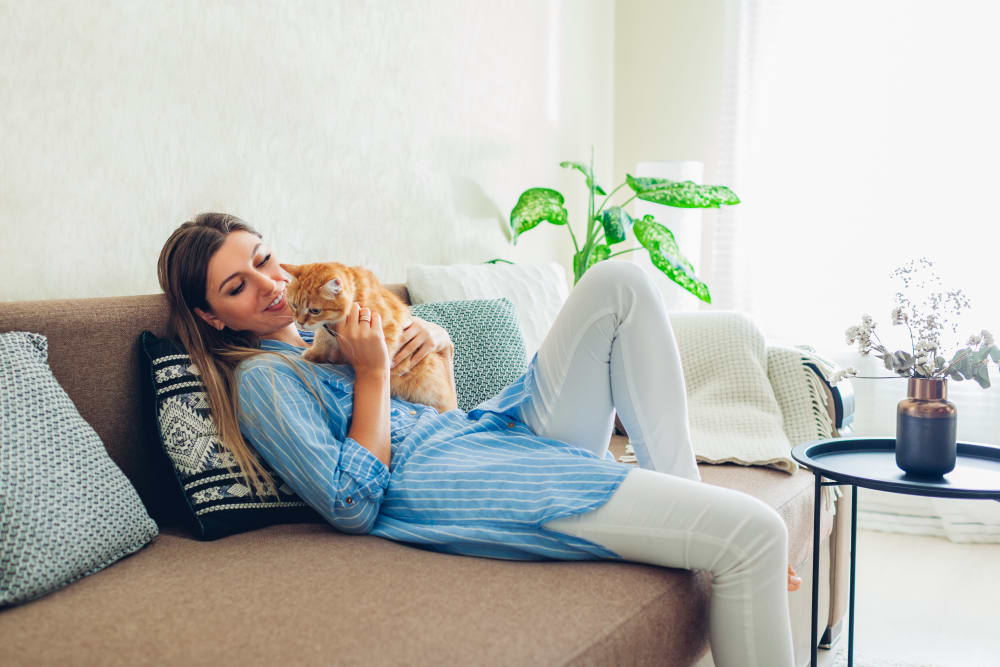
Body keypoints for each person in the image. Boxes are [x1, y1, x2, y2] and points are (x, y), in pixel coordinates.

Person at [158, 212, 799, 666]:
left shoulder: (319, 333)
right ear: (213, 316)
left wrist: (436, 341)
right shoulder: (264, 382)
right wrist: (374, 370)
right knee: (754, 533)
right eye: (237, 286)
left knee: (619, 284)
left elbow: (439, 412)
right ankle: (699, 523)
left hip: (487, 432)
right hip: (465, 481)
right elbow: (351, 504)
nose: (270, 284)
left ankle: (681, 494)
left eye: (263, 260)